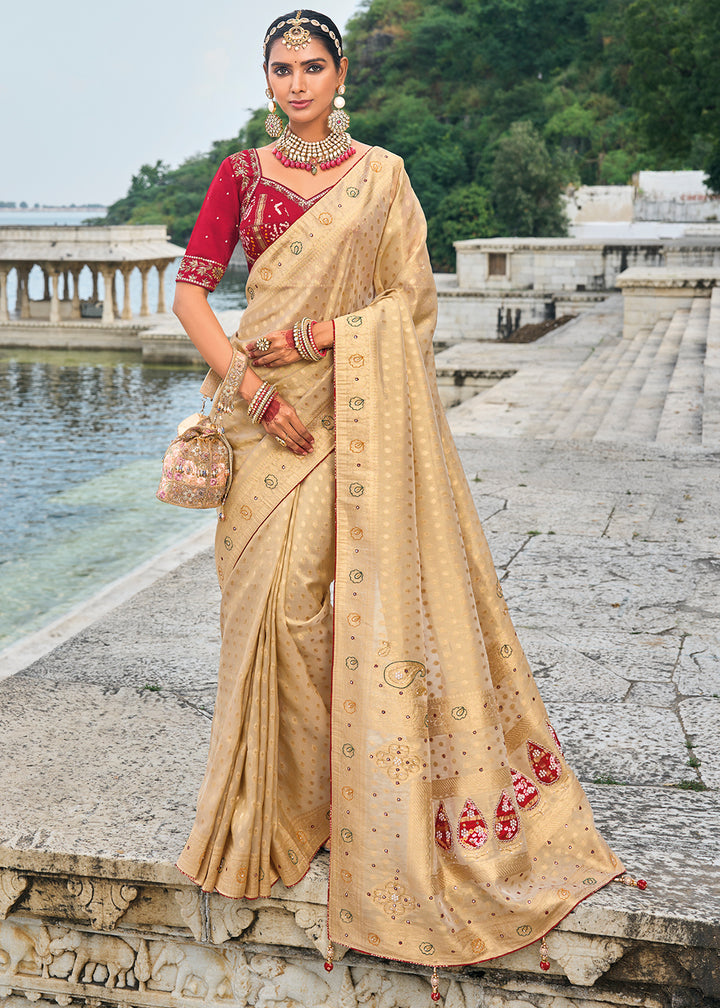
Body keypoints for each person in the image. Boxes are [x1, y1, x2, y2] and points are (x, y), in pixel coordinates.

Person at [172, 8, 642, 984]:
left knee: (326, 603)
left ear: (340, 74)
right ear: (268, 83)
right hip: (263, 420)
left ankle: (336, 811)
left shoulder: (381, 179)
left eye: (312, 65)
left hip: (347, 411)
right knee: (268, 610)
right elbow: (191, 293)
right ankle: (275, 816)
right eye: (280, 69)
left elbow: (409, 306)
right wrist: (254, 388)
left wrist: (321, 342)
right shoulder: (242, 179)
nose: (296, 82)